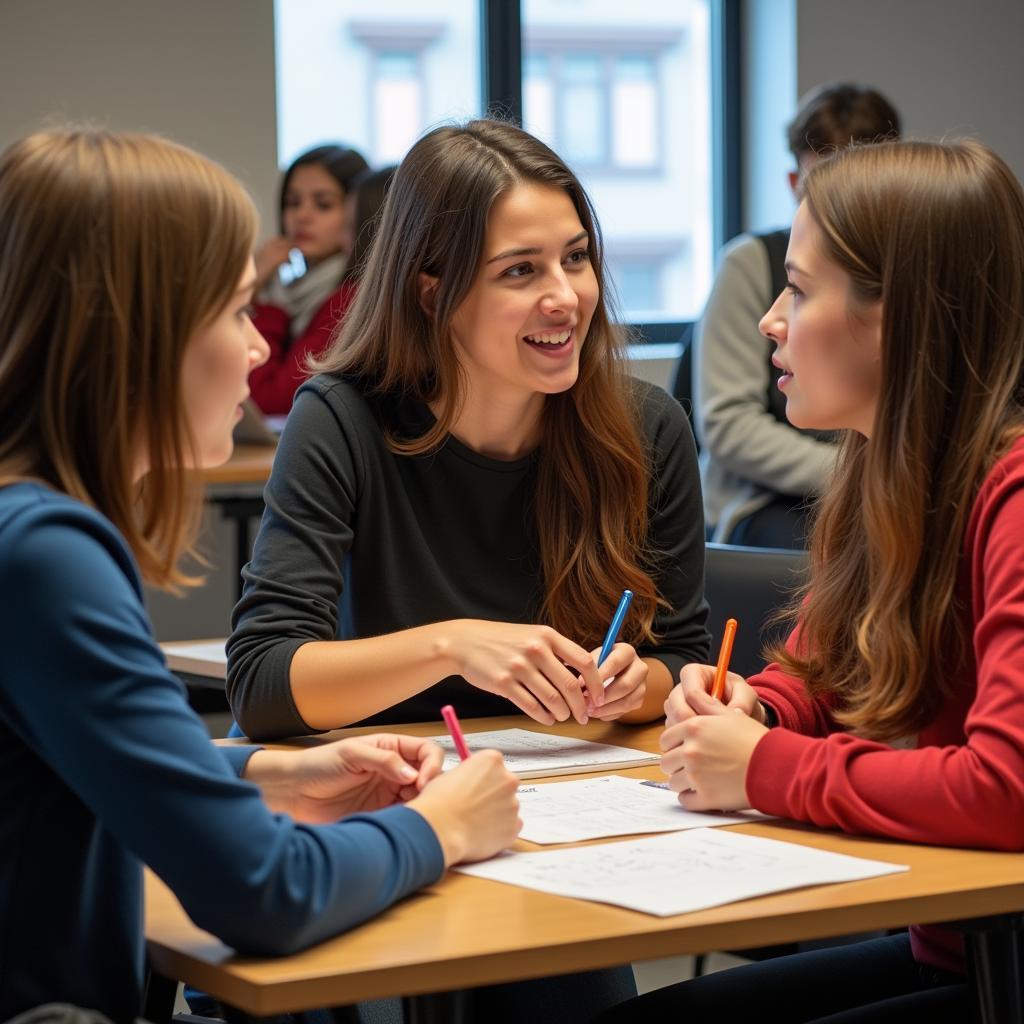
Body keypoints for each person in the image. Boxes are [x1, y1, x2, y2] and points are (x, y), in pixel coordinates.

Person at [0, 128, 521, 1023]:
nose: (255, 349)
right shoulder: (45, 556)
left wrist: (260, 775)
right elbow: (266, 894)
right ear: (137, 333)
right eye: (236, 311)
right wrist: (442, 827)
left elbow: (50, 769)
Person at [598, 138, 1024, 1022]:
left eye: (797, 288)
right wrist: (755, 708)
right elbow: (815, 673)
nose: (769, 321)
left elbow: (1007, 792)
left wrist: (764, 769)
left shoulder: (1012, 496)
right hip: (958, 947)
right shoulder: (886, 474)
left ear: (897, 315)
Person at [227, 118, 710, 742]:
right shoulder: (340, 418)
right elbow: (260, 683)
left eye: (575, 257)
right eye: (519, 271)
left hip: (573, 789)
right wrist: (452, 648)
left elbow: (682, 660)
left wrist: (630, 685)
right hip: (386, 786)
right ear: (432, 293)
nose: (566, 297)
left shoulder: (647, 427)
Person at [696, 83, 900, 547]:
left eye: (802, 291)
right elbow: (729, 425)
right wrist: (860, 476)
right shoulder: (750, 263)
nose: (773, 323)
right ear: (795, 184)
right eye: (794, 286)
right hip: (769, 501)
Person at [248, 144, 369, 415]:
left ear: (354, 212)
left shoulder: (350, 298)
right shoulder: (292, 289)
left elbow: (271, 400)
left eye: (323, 204)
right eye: (292, 203)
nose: (302, 216)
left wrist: (262, 300)